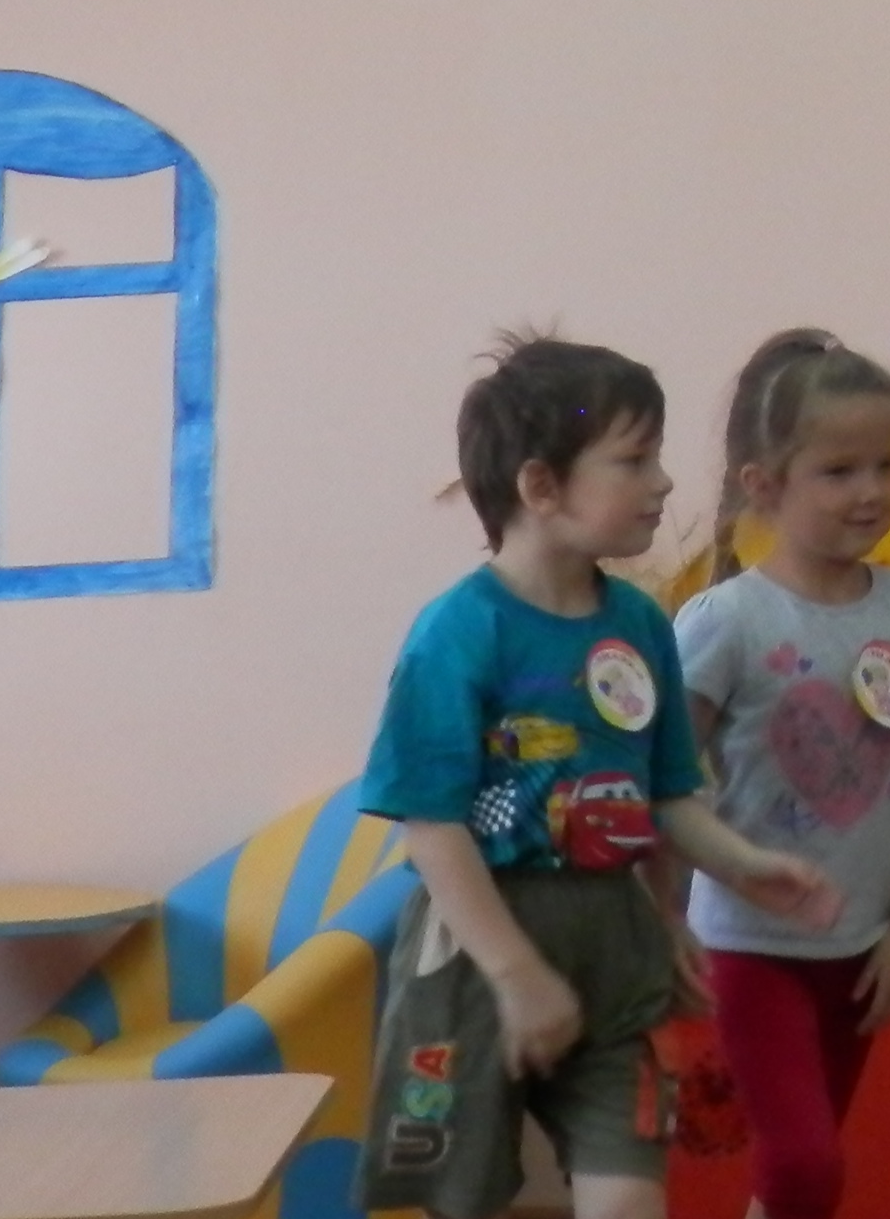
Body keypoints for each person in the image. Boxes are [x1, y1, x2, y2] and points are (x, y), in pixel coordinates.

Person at [358, 335, 839, 1219]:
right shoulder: (457, 632)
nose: (663, 483)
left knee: (627, 1200)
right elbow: (430, 827)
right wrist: (515, 973)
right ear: (542, 487)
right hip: (476, 958)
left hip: (617, 956)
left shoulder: (641, 624)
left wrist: (740, 867)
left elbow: (667, 796)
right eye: (634, 460)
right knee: (461, 1199)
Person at [672, 332, 890, 1219]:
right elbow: (665, 784)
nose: (871, 491)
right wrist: (663, 921)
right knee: (804, 1167)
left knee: (799, 1176)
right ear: (764, 485)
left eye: (886, 464)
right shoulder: (725, 621)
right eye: (838, 471)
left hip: (867, 945)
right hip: (750, 947)